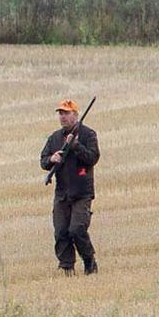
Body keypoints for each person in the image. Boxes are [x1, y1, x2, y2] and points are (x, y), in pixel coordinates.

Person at [40, 99, 101, 276]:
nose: (63, 117)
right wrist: (52, 159)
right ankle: (66, 267)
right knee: (60, 232)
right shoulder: (54, 138)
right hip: (62, 193)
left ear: (75, 114)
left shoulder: (88, 134)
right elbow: (43, 160)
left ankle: (89, 262)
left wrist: (75, 146)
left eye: (66, 113)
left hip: (82, 193)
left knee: (77, 230)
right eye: (60, 113)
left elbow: (93, 158)